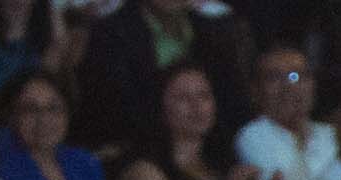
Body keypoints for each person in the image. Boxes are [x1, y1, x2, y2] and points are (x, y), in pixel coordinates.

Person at [74, 0, 249, 152]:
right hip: (140, 149)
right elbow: (112, 110)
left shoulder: (215, 29)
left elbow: (232, 100)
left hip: (213, 147)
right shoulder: (109, 34)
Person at [119, 62, 268, 180]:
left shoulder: (223, 161)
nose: (196, 105)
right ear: (160, 106)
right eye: (183, 97)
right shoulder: (144, 169)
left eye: (203, 96)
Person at [231, 45, 341, 180]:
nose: (289, 87)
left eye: (297, 77)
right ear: (255, 90)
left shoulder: (330, 134)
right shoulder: (252, 136)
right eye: (274, 78)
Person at [0, 69, 108, 180]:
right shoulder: (0, 170)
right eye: (31, 110)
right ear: (11, 116)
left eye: (53, 108)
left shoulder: (85, 162)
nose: (44, 120)